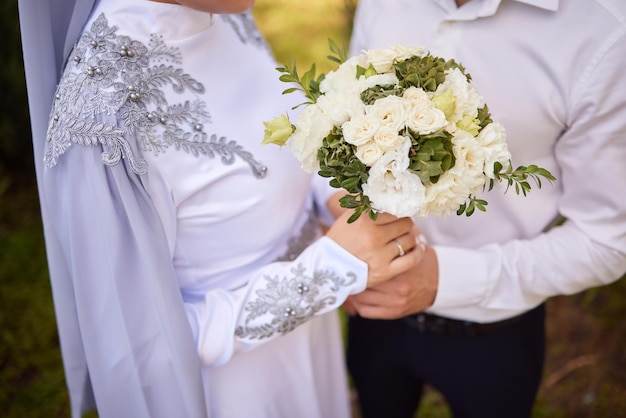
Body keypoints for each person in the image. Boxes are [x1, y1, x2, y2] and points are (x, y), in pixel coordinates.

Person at [17, 1, 424, 417]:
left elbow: (273, 139)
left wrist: (332, 193)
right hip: (236, 388)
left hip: (309, 342)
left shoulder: (227, 11)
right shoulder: (103, 113)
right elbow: (140, 349)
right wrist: (328, 273)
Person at [344, 1, 626, 417]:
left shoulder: (605, 31)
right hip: (372, 307)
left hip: (496, 333)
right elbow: (348, 119)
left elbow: (607, 241)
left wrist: (446, 280)